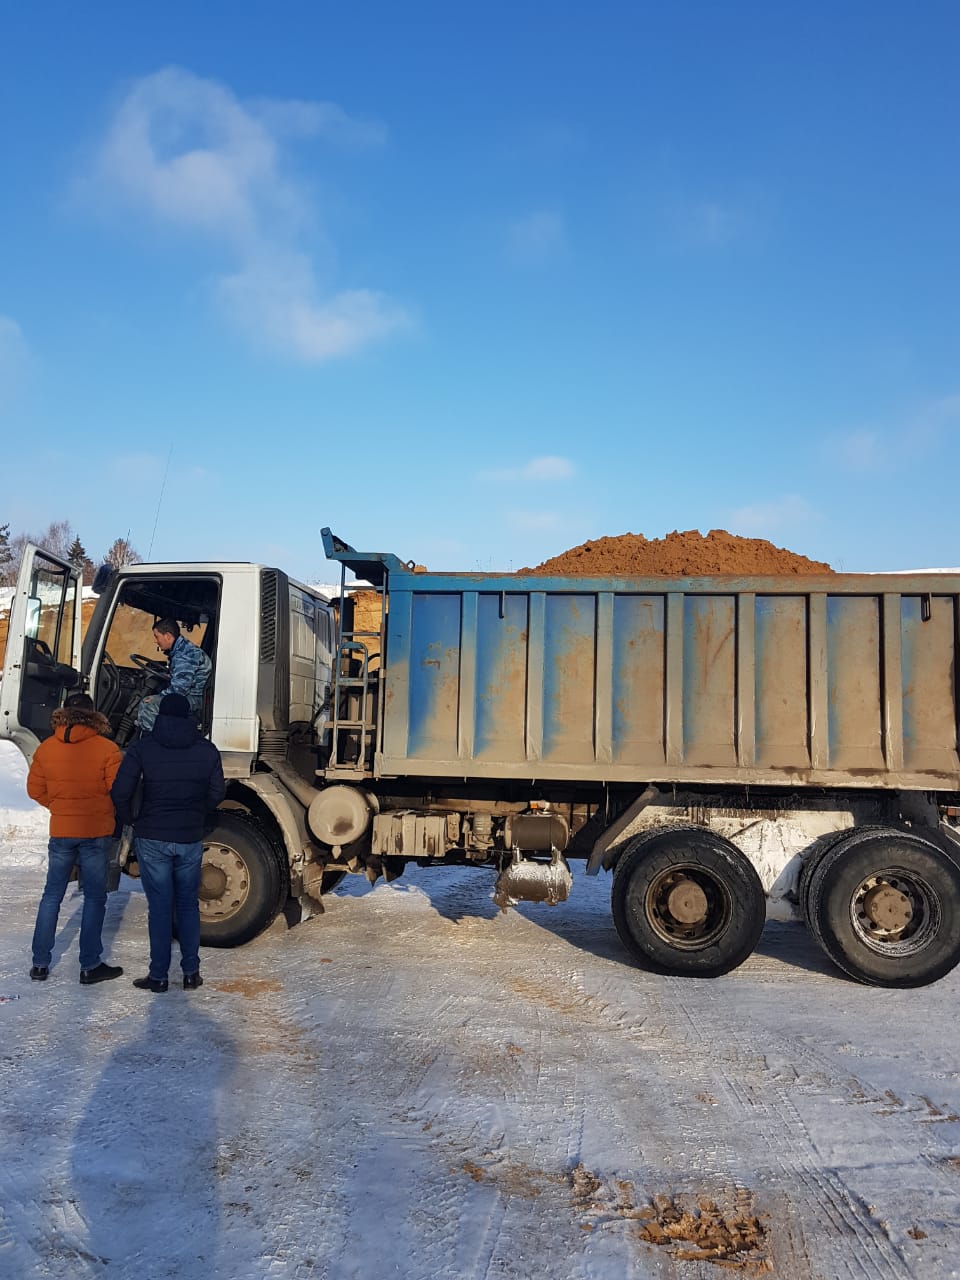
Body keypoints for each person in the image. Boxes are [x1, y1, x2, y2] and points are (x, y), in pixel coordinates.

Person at [111, 692, 225, 992]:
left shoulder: (142, 748)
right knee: (187, 905)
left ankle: (159, 976)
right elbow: (217, 793)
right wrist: (198, 814)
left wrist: (131, 819)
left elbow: (120, 791)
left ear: (160, 715)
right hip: (189, 837)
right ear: (189, 716)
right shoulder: (207, 750)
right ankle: (190, 973)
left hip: (152, 837)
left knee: (160, 908)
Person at [27, 692, 124, 985]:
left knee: (51, 896)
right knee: (94, 897)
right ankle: (89, 965)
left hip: (61, 831)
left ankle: (39, 964)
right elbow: (118, 791)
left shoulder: (46, 748)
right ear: (94, 715)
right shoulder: (107, 749)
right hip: (95, 832)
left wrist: (60, 807)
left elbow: (35, 790)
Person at [136, 618, 212, 734]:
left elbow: (179, 690)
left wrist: (159, 696)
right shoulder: (181, 651)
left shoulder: (185, 655)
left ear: (168, 636)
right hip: (192, 696)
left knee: (148, 705)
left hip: (196, 700)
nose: (155, 641)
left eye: (157, 637)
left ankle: (154, 741)